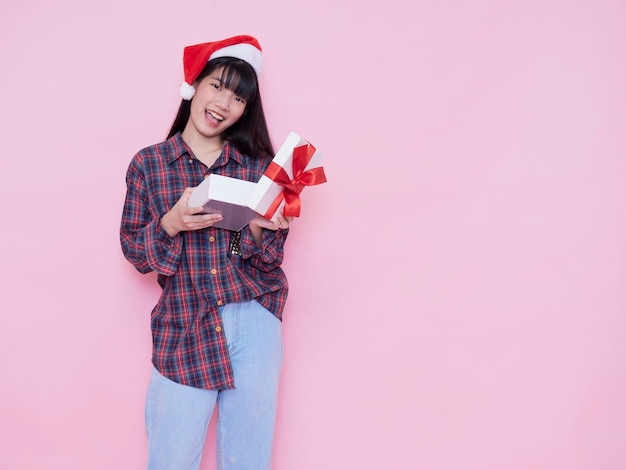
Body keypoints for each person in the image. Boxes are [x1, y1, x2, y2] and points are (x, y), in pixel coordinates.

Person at [120, 35, 291, 470]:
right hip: (185, 322)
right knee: (170, 459)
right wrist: (171, 224)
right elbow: (136, 251)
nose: (224, 103)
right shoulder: (150, 164)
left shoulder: (254, 168)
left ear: (245, 110)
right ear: (194, 87)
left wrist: (252, 230)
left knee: (247, 460)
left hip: (252, 320)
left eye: (238, 97)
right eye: (217, 86)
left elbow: (243, 249)